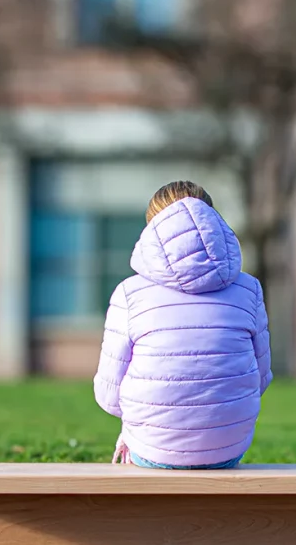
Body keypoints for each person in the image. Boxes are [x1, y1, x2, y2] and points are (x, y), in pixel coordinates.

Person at [94, 180, 272, 469]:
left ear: (152, 228)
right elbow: (260, 378)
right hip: (227, 450)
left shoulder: (129, 293)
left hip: (152, 451)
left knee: (134, 440)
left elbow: (108, 395)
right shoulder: (249, 289)